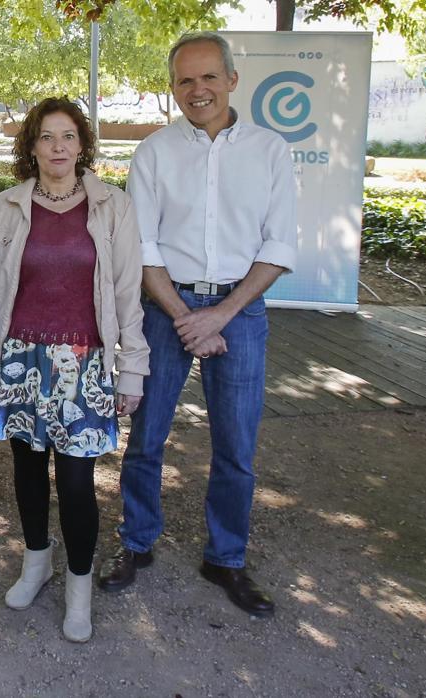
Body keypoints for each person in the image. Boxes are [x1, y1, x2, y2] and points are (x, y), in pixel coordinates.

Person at [100, 31, 297, 619]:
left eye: (209, 76)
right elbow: (144, 247)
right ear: (173, 88)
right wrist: (188, 319)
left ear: (233, 80)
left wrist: (221, 315)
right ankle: (137, 543)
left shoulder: (269, 150)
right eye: (185, 80)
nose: (198, 89)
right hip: (167, 310)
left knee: (236, 445)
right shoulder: (155, 152)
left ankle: (226, 558)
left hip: (240, 311)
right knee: (147, 435)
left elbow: (279, 244)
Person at [0, 97, 149, 643]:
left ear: (82, 144)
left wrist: (131, 372)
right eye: (46, 137)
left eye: (68, 136)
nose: (58, 147)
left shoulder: (113, 205)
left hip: (84, 364)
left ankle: (79, 586)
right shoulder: (6, 207)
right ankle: (36, 562)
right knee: (27, 469)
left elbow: (127, 294)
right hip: (19, 358)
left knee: (78, 480)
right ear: (31, 146)